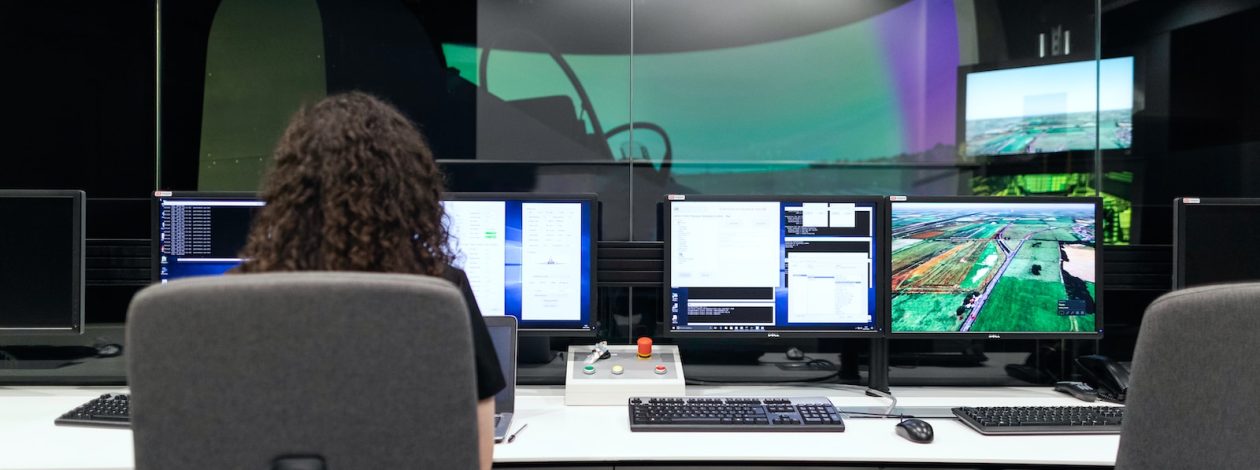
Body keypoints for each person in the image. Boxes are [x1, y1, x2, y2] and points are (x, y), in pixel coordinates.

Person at [235, 91, 505, 469]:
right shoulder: (438, 292)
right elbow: (476, 459)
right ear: (407, 192)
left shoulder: (234, 299)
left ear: (289, 190)